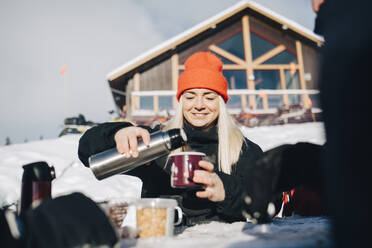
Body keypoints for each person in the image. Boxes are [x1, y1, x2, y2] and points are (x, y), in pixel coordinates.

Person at [78, 51, 268, 226]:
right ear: (181, 101)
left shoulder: (243, 150)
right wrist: (117, 133)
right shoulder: (154, 141)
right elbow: (86, 151)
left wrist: (226, 190)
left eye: (209, 97)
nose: (199, 105)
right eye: (190, 96)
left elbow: (269, 203)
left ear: (221, 103)